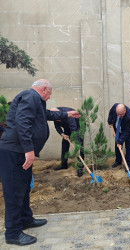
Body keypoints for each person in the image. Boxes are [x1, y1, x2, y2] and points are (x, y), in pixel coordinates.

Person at [0, 79, 80, 246]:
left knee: (23, 187)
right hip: (16, 152)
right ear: (44, 90)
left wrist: (66, 114)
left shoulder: (34, 100)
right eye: (49, 94)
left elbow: (48, 115)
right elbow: (23, 121)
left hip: (20, 151)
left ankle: (26, 219)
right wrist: (28, 149)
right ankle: (13, 233)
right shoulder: (31, 96)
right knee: (14, 191)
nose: (49, 97)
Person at [50, 107, 84, 177]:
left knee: (78, 145)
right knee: (65, 144)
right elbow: (57, 127)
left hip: (78, 127)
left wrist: (75, 139)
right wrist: (62, 134)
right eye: (57, 119)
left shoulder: (69, 115)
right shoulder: (55, 115)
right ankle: (64, 164)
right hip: (67, 127)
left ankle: (80, 167)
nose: (58, 121)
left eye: (59, 119)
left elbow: (74, 129)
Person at [108, 103, 130, 171]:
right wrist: (110, 121)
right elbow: (111, 113)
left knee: (129, 148)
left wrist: (120, 141)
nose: (119, 115)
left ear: (125, 110)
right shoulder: (115, 107)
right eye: (118, 114)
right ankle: (118, 161)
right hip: (119, 130)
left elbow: (127, 131)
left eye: (121, 114)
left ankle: (129, 165)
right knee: (117, 146)